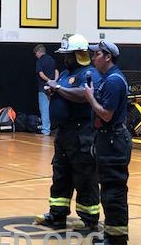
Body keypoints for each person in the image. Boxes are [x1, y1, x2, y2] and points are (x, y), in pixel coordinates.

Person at [35, 34, 101, 233]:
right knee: (60, 173)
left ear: (78, 54)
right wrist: (52, 91)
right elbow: (60, 88)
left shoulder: (90, 73)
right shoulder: (65, 73)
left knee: (84, 175)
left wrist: (59, 88)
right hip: (64, 133)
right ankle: (57, 214)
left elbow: (84, 95)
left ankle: (88, 218)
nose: (65, 58)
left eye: (68, 55)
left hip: (82, 133)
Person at [84, 40, 131, 245]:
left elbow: (106, 114)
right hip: (108, 140)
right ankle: (113, 234)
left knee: (113, 191)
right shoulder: (107, 79)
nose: (93, 58)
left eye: (97, 55)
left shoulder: (113, 81)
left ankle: (117, 240)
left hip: (114, 141)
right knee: (110, 191)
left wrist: (90, 98)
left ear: (108, 57)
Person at [34, 44, 59, 136]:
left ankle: (45, 130)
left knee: (44, 109)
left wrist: (48, 80)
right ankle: (53, 128)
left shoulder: (39, 61)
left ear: (39, 52)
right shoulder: (52, 59)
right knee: (52, 108)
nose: (36, 55)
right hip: (53, 88)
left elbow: (41, 74)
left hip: (43, 87)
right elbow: (56, 71)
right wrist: (54, 81)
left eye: (36, 53)